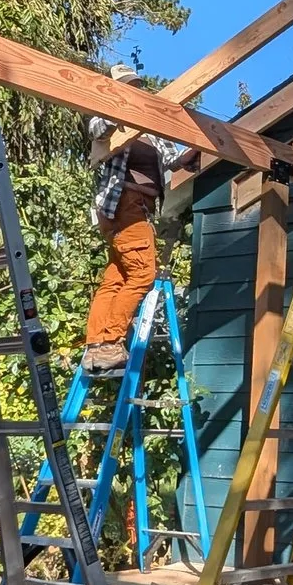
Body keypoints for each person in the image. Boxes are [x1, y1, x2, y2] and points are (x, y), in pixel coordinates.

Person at [81, 67, 189, 377]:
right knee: (143, 273)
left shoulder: (150, 129)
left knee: (116, 277)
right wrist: (123, 104)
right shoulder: (108, 115)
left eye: (137, 86)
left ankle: (96, 344)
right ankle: (111, 341)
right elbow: (97, 128)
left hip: (138, 208)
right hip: (123, 203)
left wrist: (190, 156)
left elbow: (172, 158)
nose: (136, 90)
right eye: (128, 86)